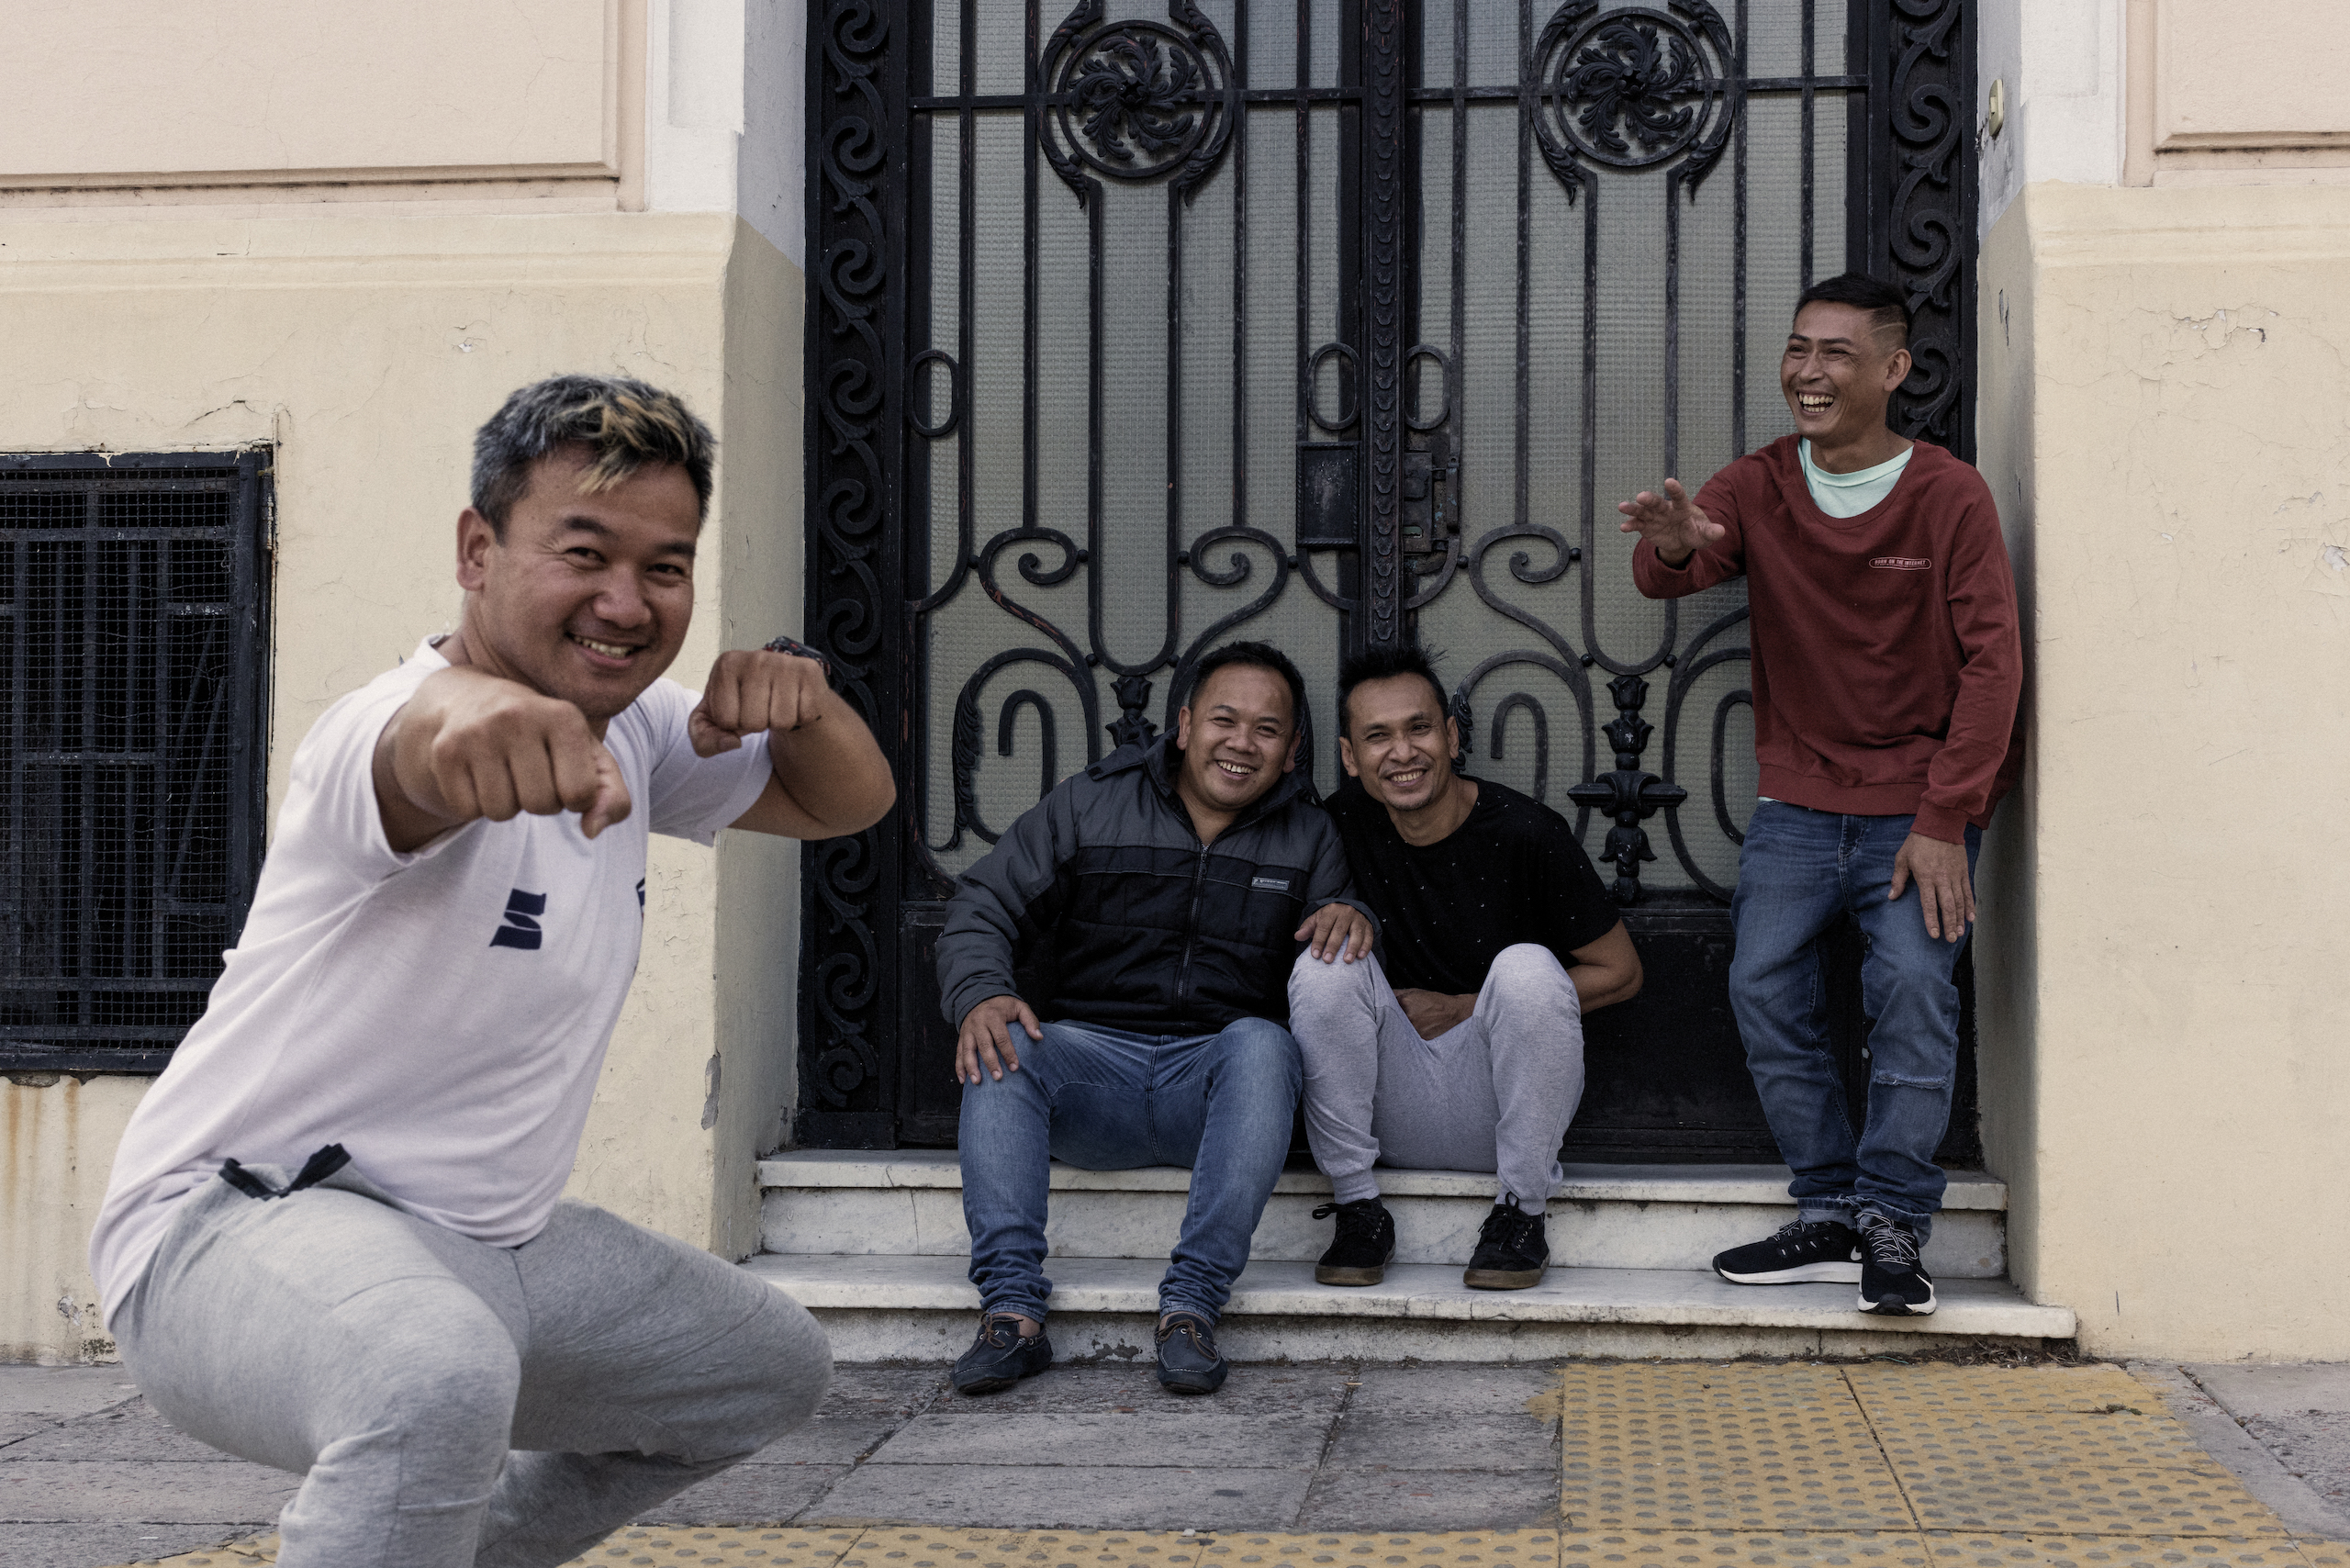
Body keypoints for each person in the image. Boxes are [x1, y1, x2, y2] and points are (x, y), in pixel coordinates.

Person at [86, 375, 897, 1568]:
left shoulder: (637, 729)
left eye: (665, 568)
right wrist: (473, 722)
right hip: (235, 1225)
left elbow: (849, 800)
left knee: (761, 1369)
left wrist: (806, 701)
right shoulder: (379, 726)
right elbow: (423, 750)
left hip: (495, 1248)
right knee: (432, 1378)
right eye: (584, 553)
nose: (625, 603)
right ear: (478, 550)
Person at [1620, 274, 2024, 1317]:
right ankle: (1831, 1205)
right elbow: (1674, 562)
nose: (1807, 371)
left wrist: (1945, 820)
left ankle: (1892, 1217)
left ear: (1892, 370)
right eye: (1799, 348)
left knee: (1910, 995)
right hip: (1799, 803)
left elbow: (1994, 667)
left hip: (1916, 805)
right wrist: (1670, 541)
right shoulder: (1760, 484)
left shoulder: (1948, 495)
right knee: (1760, 985)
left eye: (1836, 353)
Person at [937, 642, 1378, 1397]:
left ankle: (1192, 1309)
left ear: (1293, 751)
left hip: (1215, 1090)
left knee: (1264, 1045)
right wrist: (978, 992)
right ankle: (1011, 1313)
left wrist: (1352, 911)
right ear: (1182, 725)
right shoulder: (1092, 802)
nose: (1242, 743)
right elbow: (982, 903)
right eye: (1224, 720)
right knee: (1005, 1037)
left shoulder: (1310, 837)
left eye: (1267, 730)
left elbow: (1340, 955)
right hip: (1090, 1077)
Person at [1286, 646, 1643, 1292]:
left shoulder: (1527, 832)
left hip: (1502, 1106)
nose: (1402, 753)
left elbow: (1620, 971)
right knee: (1325, 962)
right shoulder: (1332, 830)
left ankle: (1521, 1215)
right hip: (1385, 1103)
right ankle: (1357, 1208)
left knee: (1529, 968)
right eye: (1377, 736)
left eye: (1419, 728)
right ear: (1348, 757)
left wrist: (1461, 1006)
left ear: (1450, 736)